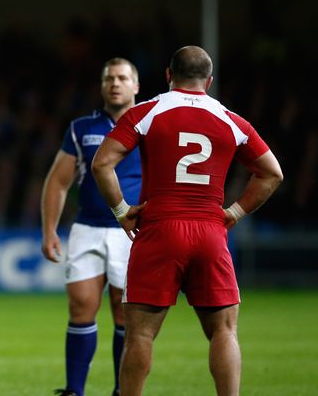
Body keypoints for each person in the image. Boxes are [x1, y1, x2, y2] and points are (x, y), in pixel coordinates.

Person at [91, 46, 283, 396]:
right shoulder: (231, 120)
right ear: (209, 81)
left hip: (159, 229)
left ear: (168, 75)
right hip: (210, 231)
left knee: (140, 334)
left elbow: (102, 164)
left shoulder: (145, 112)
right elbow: (272, 173)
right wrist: (233, 213)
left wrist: (121, 211)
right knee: (224, 330)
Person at [41, 58, 142, 396]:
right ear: (101, 86)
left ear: (136, 86)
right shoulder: (82, 128)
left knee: (125, 314)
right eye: (109, 78)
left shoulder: (149, 125)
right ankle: (74, 390)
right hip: (87, 228)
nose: (115, 83)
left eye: (122, 78)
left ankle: (121, 390)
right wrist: (49, 230)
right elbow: (58, 182)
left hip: (132, 232)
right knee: (80, 306)